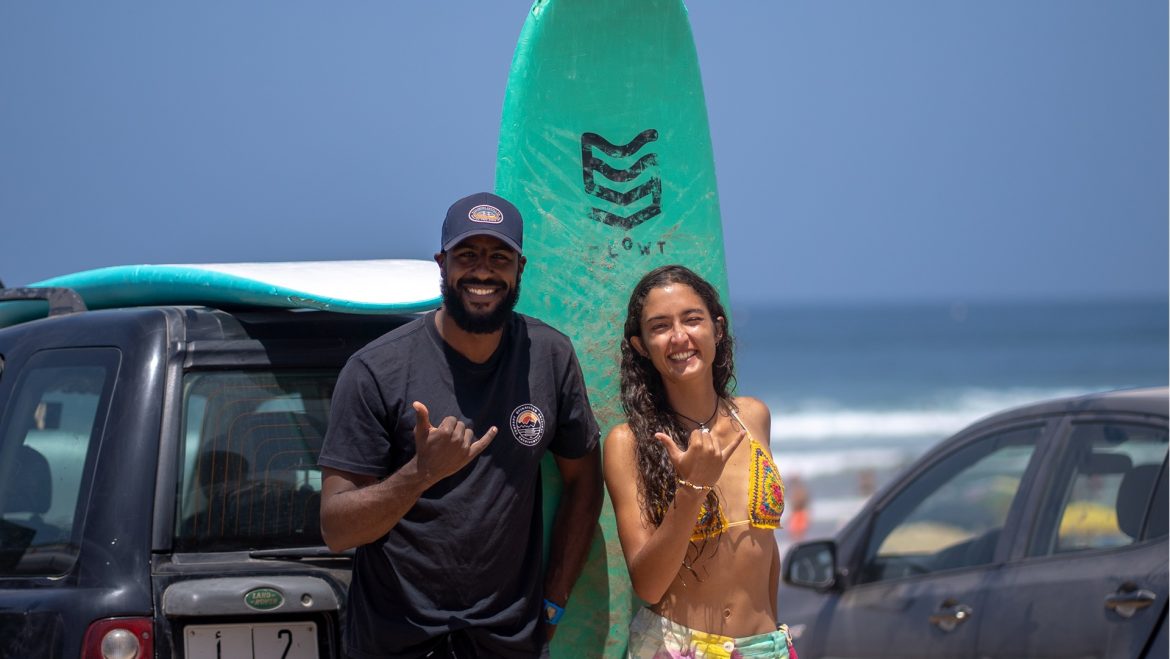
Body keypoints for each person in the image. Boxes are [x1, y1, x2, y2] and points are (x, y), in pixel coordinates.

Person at [318, 192, 604, 659]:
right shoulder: (376, 370)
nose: (483, 271)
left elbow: (585, 482)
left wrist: (553, 602)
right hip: (396, 642)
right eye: (467, 255)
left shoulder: (549, 358)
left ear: (520, 267)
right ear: (442, 263)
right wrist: (421, 473)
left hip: (508, 644)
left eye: (499, 256)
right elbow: (337, 530)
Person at [603, 265, 797, 658]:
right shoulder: (628, 443)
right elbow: (649, 586)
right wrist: (692, 490)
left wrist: (769, 639)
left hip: (766, 646)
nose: (679, 337)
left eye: (692, 320)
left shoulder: (754, 416)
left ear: (717, 329)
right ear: (641, 345)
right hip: (678, 647)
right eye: (659, 327)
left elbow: (765, 547)